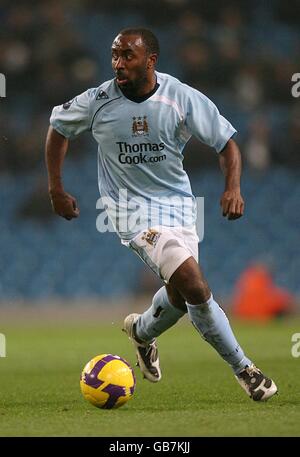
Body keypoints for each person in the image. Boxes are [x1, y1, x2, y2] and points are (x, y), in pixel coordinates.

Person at [45, 27, 277, 401]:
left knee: (182, 294)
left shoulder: (180, 97)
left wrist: (233, 188)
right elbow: (57, 129)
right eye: (115, 55)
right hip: (128, 210)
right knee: (196, 286)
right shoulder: (96, 101)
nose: (118, 64)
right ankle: (245, 369)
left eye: (127, 56)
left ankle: (141, 332)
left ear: (151, 61)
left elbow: (227, 145)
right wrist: (56, 188)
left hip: (179, 207)